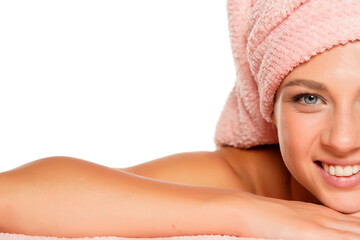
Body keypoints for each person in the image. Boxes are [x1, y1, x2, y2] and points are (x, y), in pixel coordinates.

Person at [2, 0, 360, 239]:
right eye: (309, 98)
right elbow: (11, 196)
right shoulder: (254, 181)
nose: (342, 140)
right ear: (272, 108)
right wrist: (247, 213)